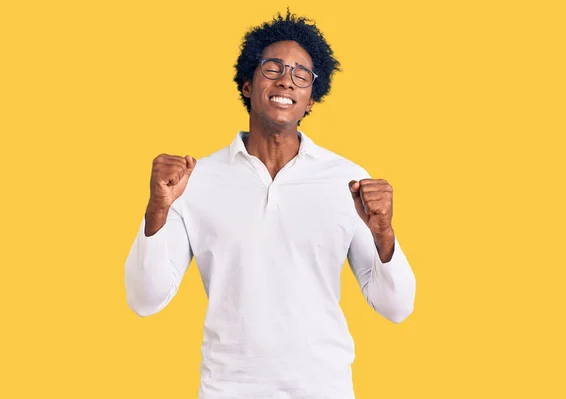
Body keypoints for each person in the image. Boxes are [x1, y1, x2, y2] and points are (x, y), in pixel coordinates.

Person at [124, 9, 416, 399]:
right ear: (247, 83)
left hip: (323, 388)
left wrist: (383, 233)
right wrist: (156, 209)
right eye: (273, 67)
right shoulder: (194, 180)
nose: (286, 80)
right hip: (227, 389)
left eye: (301, 74)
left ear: (312, 98)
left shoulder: (346, 180)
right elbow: (144, 300)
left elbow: (396, 308)